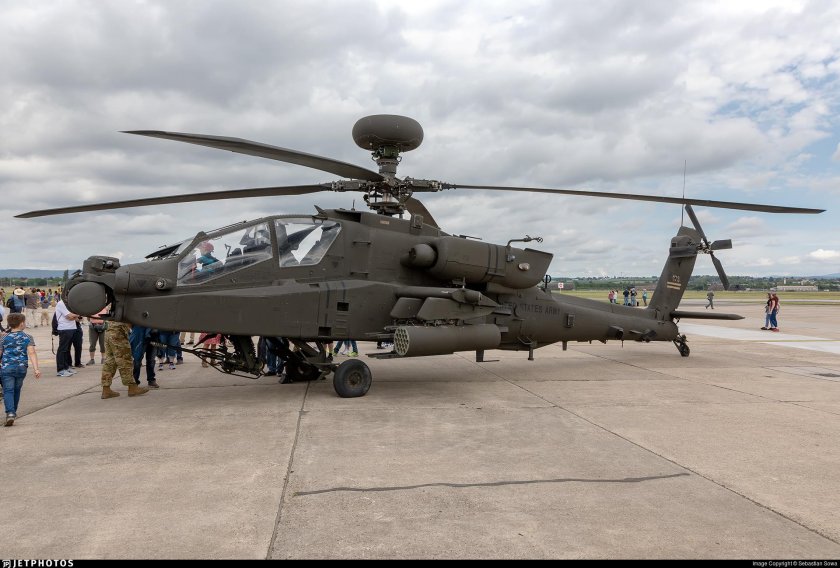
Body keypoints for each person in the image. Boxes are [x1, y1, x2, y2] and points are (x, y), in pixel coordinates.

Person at [1, 313, 42, 426]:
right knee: (17, 389)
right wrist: (36, 369)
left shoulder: (4, 337)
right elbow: (32, 353)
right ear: (22, 323)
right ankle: (13, 411)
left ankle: (10, 413)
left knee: (8, 390)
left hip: (6, 368)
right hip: (21, 368)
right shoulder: (27, 337)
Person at [101, 321, 149, 399]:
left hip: (109, 330)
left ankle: (106, 389)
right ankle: (132, 387)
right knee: (125, 360)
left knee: (110, 362)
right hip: (119, 332)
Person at [54, 298, 81, 377]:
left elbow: (76, 319)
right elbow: (69, 316)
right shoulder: (62, 303)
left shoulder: (70, 304)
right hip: (64, 328)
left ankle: (66, 367)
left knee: (66, 349)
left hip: (71, 328)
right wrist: (78, 314)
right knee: (62, 349)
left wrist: (75, 316)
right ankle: (61, 369)